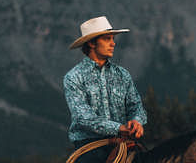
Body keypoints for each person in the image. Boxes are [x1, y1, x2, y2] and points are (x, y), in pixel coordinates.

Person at [63, 16, 147, 163]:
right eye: (107, 39)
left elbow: (136, 106)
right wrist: (119, 128)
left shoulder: (122, 74)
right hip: (90, 147)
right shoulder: (74, 77)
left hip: (124, 144)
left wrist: (136, 120)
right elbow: (83, 118)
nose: (113, 44)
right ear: (91, 43)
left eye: (113, 39)